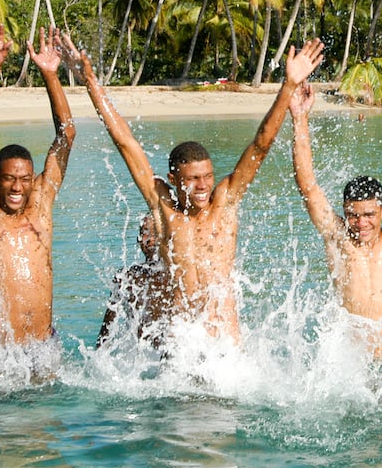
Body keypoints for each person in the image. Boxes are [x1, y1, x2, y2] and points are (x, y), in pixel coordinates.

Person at [82, 37, 325, 344]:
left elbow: (261, 144)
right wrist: (91, 83)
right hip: (181, 350)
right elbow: (126, 143)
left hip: (224, 351)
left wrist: (288, 85)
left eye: (208, 177)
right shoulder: (164, 208)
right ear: (173, 178)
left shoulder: (225, 201)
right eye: (193, 179)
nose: (203, 186)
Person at [288, 77, 382, 366]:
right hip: (351, 369)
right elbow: (308, 186)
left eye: (368, 214)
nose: (360, 222)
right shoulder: (337, 235)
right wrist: (300, 119)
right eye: (352, 214)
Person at [0, 23, 75, 368]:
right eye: (9, 179)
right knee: (0, 424)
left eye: (25, 180)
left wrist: (50, 76)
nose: (17, 188)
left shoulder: (41, 207)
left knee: (44, 424)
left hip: (44, 345)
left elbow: (66, 136)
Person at [95, 214, 166, 349]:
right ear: (138, 239)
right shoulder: (126, 278)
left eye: (156, 232)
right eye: (145, 232)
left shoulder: (179, 277)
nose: (150, 239)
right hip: (140, 359)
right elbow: (104, 336)